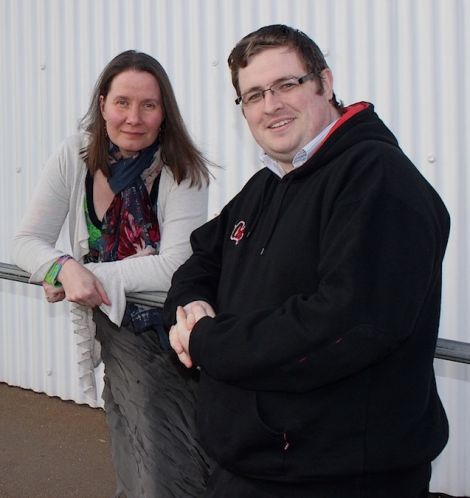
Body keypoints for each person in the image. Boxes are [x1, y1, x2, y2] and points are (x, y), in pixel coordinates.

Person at [163, 24, 450, 498]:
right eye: (253, 95)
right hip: (256, 465)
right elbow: (201, 259)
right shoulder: (269, 184)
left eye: (286, 84)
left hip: (337, 475)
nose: (270, 105)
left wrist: (209, 341)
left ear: (325, 82)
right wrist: (191, 303)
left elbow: (346, 324)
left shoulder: (377, 181)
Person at [13, 50, 213, 498]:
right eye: (122, 102)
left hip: (168, 335)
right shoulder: (75, 155)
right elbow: (26, 242)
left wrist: (83, 274)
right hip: (113, 322)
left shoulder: (182, 168)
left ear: (165, 113)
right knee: (130, 438)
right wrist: (61, 268)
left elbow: (176, 267)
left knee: (169, 462)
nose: (134, 118)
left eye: (149, 105)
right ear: (102, 104)